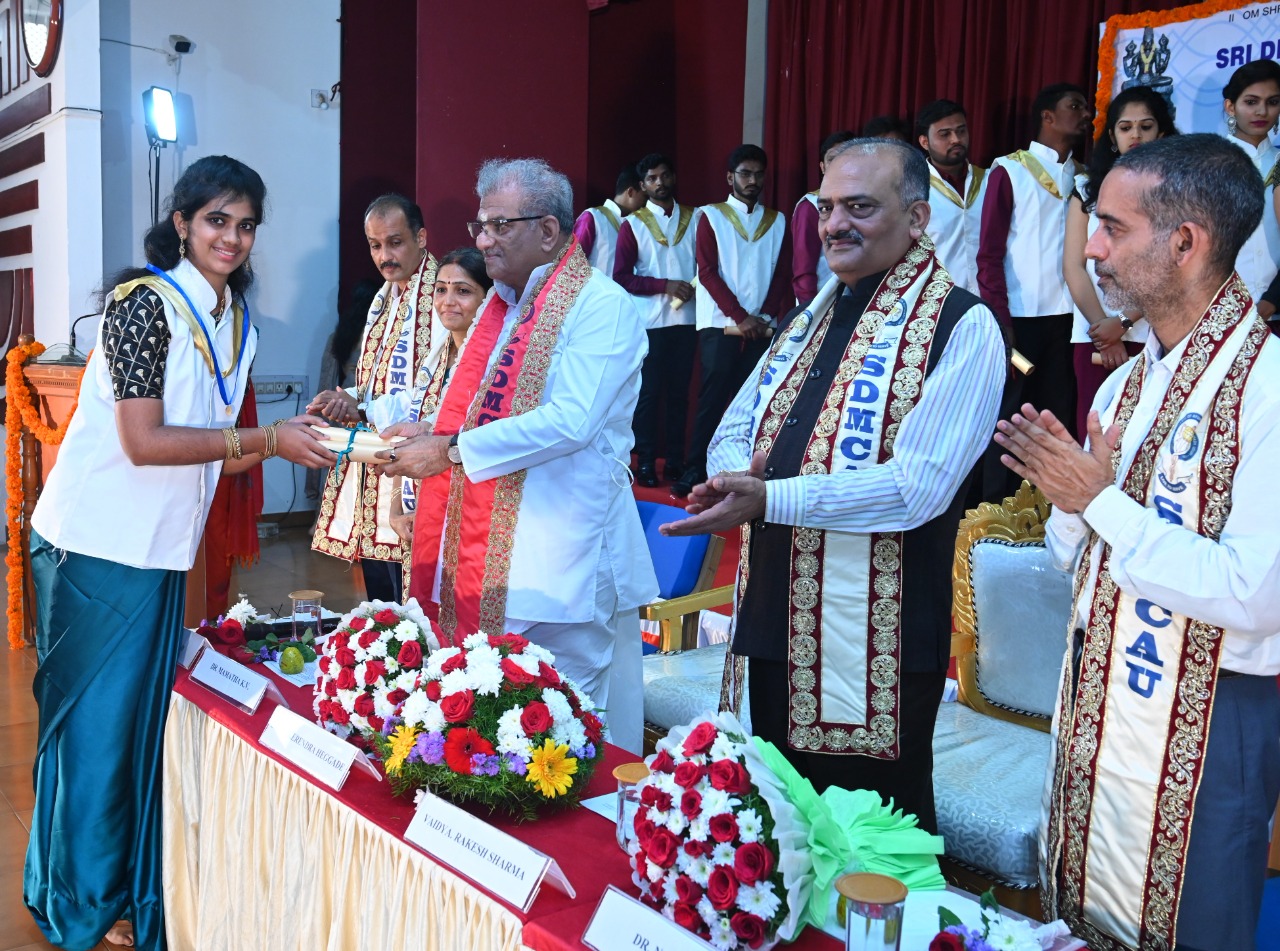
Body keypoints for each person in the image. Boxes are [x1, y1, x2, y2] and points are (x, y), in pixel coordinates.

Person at [24, 156, 334, 951]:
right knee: (96, 731)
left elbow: (216, 451)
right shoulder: (142, 307)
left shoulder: (237, 320)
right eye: (216, 220)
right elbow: (142, 441)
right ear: (183, 223)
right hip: (94, 545)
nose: (231, 237)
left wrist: (307, 433)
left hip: (160, 548)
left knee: (137, 728)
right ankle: (80, 900)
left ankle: (128, 884)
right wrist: (268, 439)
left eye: (244, 224)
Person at [663, 138, 1004, 831]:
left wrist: (772, 497)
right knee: (783, 829)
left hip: (874, 646)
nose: (835, 224)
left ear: (917, 219)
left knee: (868, 844)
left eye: (860, 207)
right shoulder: (808, 319)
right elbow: (736, 422)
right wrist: (738, 470)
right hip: (774, 616)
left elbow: (916, 491)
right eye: (826, 208)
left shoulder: (964, 327)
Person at [995, 133, 1280, 951]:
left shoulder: (1267, 389)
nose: (1091, 248)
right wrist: (1071, 506)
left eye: (1114, 229)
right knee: (1079, 919)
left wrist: (1100, 501)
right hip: (1097, 691)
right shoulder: (1127, 380)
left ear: (1185, 242)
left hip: (1208, 725)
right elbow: (1072, 560)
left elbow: (1253, 594)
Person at [376, 158, 658, 753]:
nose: (483, 240)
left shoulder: (601, 306)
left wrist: (449, 451)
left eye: (499, 226)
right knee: (503, 727)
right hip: (500, 546)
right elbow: (492, 414)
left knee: (569, 726)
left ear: (550, 231)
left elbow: (570, 422)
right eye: (481, 226)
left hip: (567, 556)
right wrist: (430, 430)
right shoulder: (507, 309)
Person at [308, 194, 438, 604]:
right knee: (380, 586)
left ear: (421, 237)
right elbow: (373, 379)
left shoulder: (444, 294)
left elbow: (435, 390)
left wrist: (361, 407)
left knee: (413, 590)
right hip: (375, 454)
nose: (385, 256)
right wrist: (342, 398)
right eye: (375, 245)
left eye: (395, 242)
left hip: (418, 459)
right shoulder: (385, 297)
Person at [977, 83, 1091, 499]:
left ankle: (1049, 512)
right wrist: (1001, 325)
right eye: (1075, 106)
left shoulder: (1084, 176)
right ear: (1047, 116)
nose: (1086, 115)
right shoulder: (1009, 170)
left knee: (1056, 416)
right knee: (1011, 418)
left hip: (1069, 323)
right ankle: (995, 514)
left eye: (1087, 108)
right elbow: (988, 255)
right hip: (1020, 325)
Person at [371, 247, 493, 592]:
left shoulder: (493, 367)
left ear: (489, 298)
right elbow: (410, 437)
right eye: (441, 289)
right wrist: (397, 510)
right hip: (419, 516)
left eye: (463, 291)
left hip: (467, 523)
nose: (448, 301)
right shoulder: (435, 358)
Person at [677, 144, 791, 497]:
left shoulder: (778, 219)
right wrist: (741, 317)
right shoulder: (710, 216)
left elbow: (782, 273)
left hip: (762, 325)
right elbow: (708, 272)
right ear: (730, 177)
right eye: (745, 173)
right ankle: (694, 468)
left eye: (758, 174)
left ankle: (740, 474)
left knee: (752, 406)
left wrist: (764, 316)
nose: (753, 180)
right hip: (720, 323)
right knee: (711, 399)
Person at [1063, 87, 1174, 437]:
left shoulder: (1176, 188)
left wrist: (1123, 323)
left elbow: (1172, 267)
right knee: (1094, 432)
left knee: (1146, 436)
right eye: (1126, 127)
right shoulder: (1086, 188)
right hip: (1094, 335)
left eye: (1146, 126)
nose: (1136, 135)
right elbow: (1073, 266)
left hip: (1156, 332)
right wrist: (1105, 328)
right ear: (1112, 135)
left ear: (1163, 132)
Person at [614, 152, 698, 486]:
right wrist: (664, 286)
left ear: (674, 177)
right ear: (642, 185)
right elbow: (621, 276)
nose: (659, 183)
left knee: (679, 395)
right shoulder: (632, 225)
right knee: (648, 395)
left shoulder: (696, 218)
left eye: (664, 175)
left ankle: (676, 461)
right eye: (651, 178)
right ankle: (646, 462)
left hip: (687, 320)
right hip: (648, 322)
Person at [1221, 59, 1280, 312]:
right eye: (1251, 102)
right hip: (1222, 312)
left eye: (1273, 102)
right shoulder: (1205, 165)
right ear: (1230, 107)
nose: (1262, 112)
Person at [917, 99, 987, 295]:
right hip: (935, 300)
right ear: (924, 142)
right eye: (945, 134)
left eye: (961, 131)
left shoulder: (990, 180)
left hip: (988, 300)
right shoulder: (913, 187)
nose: (956, 139)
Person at [792, 129, 857, 304]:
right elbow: (803, 269)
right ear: (822, 167)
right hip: (821, 302)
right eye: (832, 159)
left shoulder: (866, 203)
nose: (839, 165)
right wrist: (809, 313)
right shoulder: (811, 206)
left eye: (847, 157)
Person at [572, 163, 647, 276]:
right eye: (645, 197)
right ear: (631, 192)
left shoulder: (640, 227)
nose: (647, 204)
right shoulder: (593, 218)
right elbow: (572, 265)